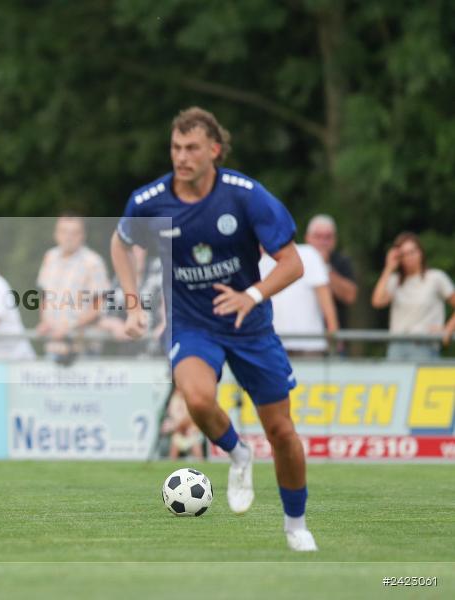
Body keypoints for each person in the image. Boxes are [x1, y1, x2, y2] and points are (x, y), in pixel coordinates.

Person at [111, 107, 316, 551]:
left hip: (250, 326)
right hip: (192, 324)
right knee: (198, 397)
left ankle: (296, 526)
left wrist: (253, 295)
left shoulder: (245, 196)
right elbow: (120, 243)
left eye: (191, 149)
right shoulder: (150, 202)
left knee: (282, 432)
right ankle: (238, 453)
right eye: (175, 147)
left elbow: (292, 262)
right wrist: (133, 306)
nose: (181, 157)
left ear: (214, 151)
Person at [36, 215, 110, 361]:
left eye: (74, 233)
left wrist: (69, 327)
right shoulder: (49, 257)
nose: (68, 237)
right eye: (63, 231)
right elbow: (44, 296)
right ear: (56, 234)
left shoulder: (93, 262)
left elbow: (99, 306)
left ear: (82, 236)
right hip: (53, 345)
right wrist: (45, 322)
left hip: (82, 349)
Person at [371, 232, 455, 360]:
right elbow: (377, 301)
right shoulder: (395, 281)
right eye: (404, 254)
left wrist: (447, 330)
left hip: (424, 346)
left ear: (421, 252)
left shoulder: (435, 278)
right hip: (397, 346)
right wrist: (388, 268)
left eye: (413, 252)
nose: (409, 257)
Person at [259, 243, 339, 356]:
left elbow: (324, 296)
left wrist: (333, 333)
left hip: (309, 345)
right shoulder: (257, 260)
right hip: (270, 345)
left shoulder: (308, 253)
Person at [304, 215, 357, 329]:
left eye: (328, 237)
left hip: (334, 335)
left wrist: (324, 266)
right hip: (302, 334)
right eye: (318, 236)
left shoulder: (342, 261)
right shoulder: (297, 261)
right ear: (307, 238)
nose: (323, 242)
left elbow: (350, 296)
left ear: (335, 240)